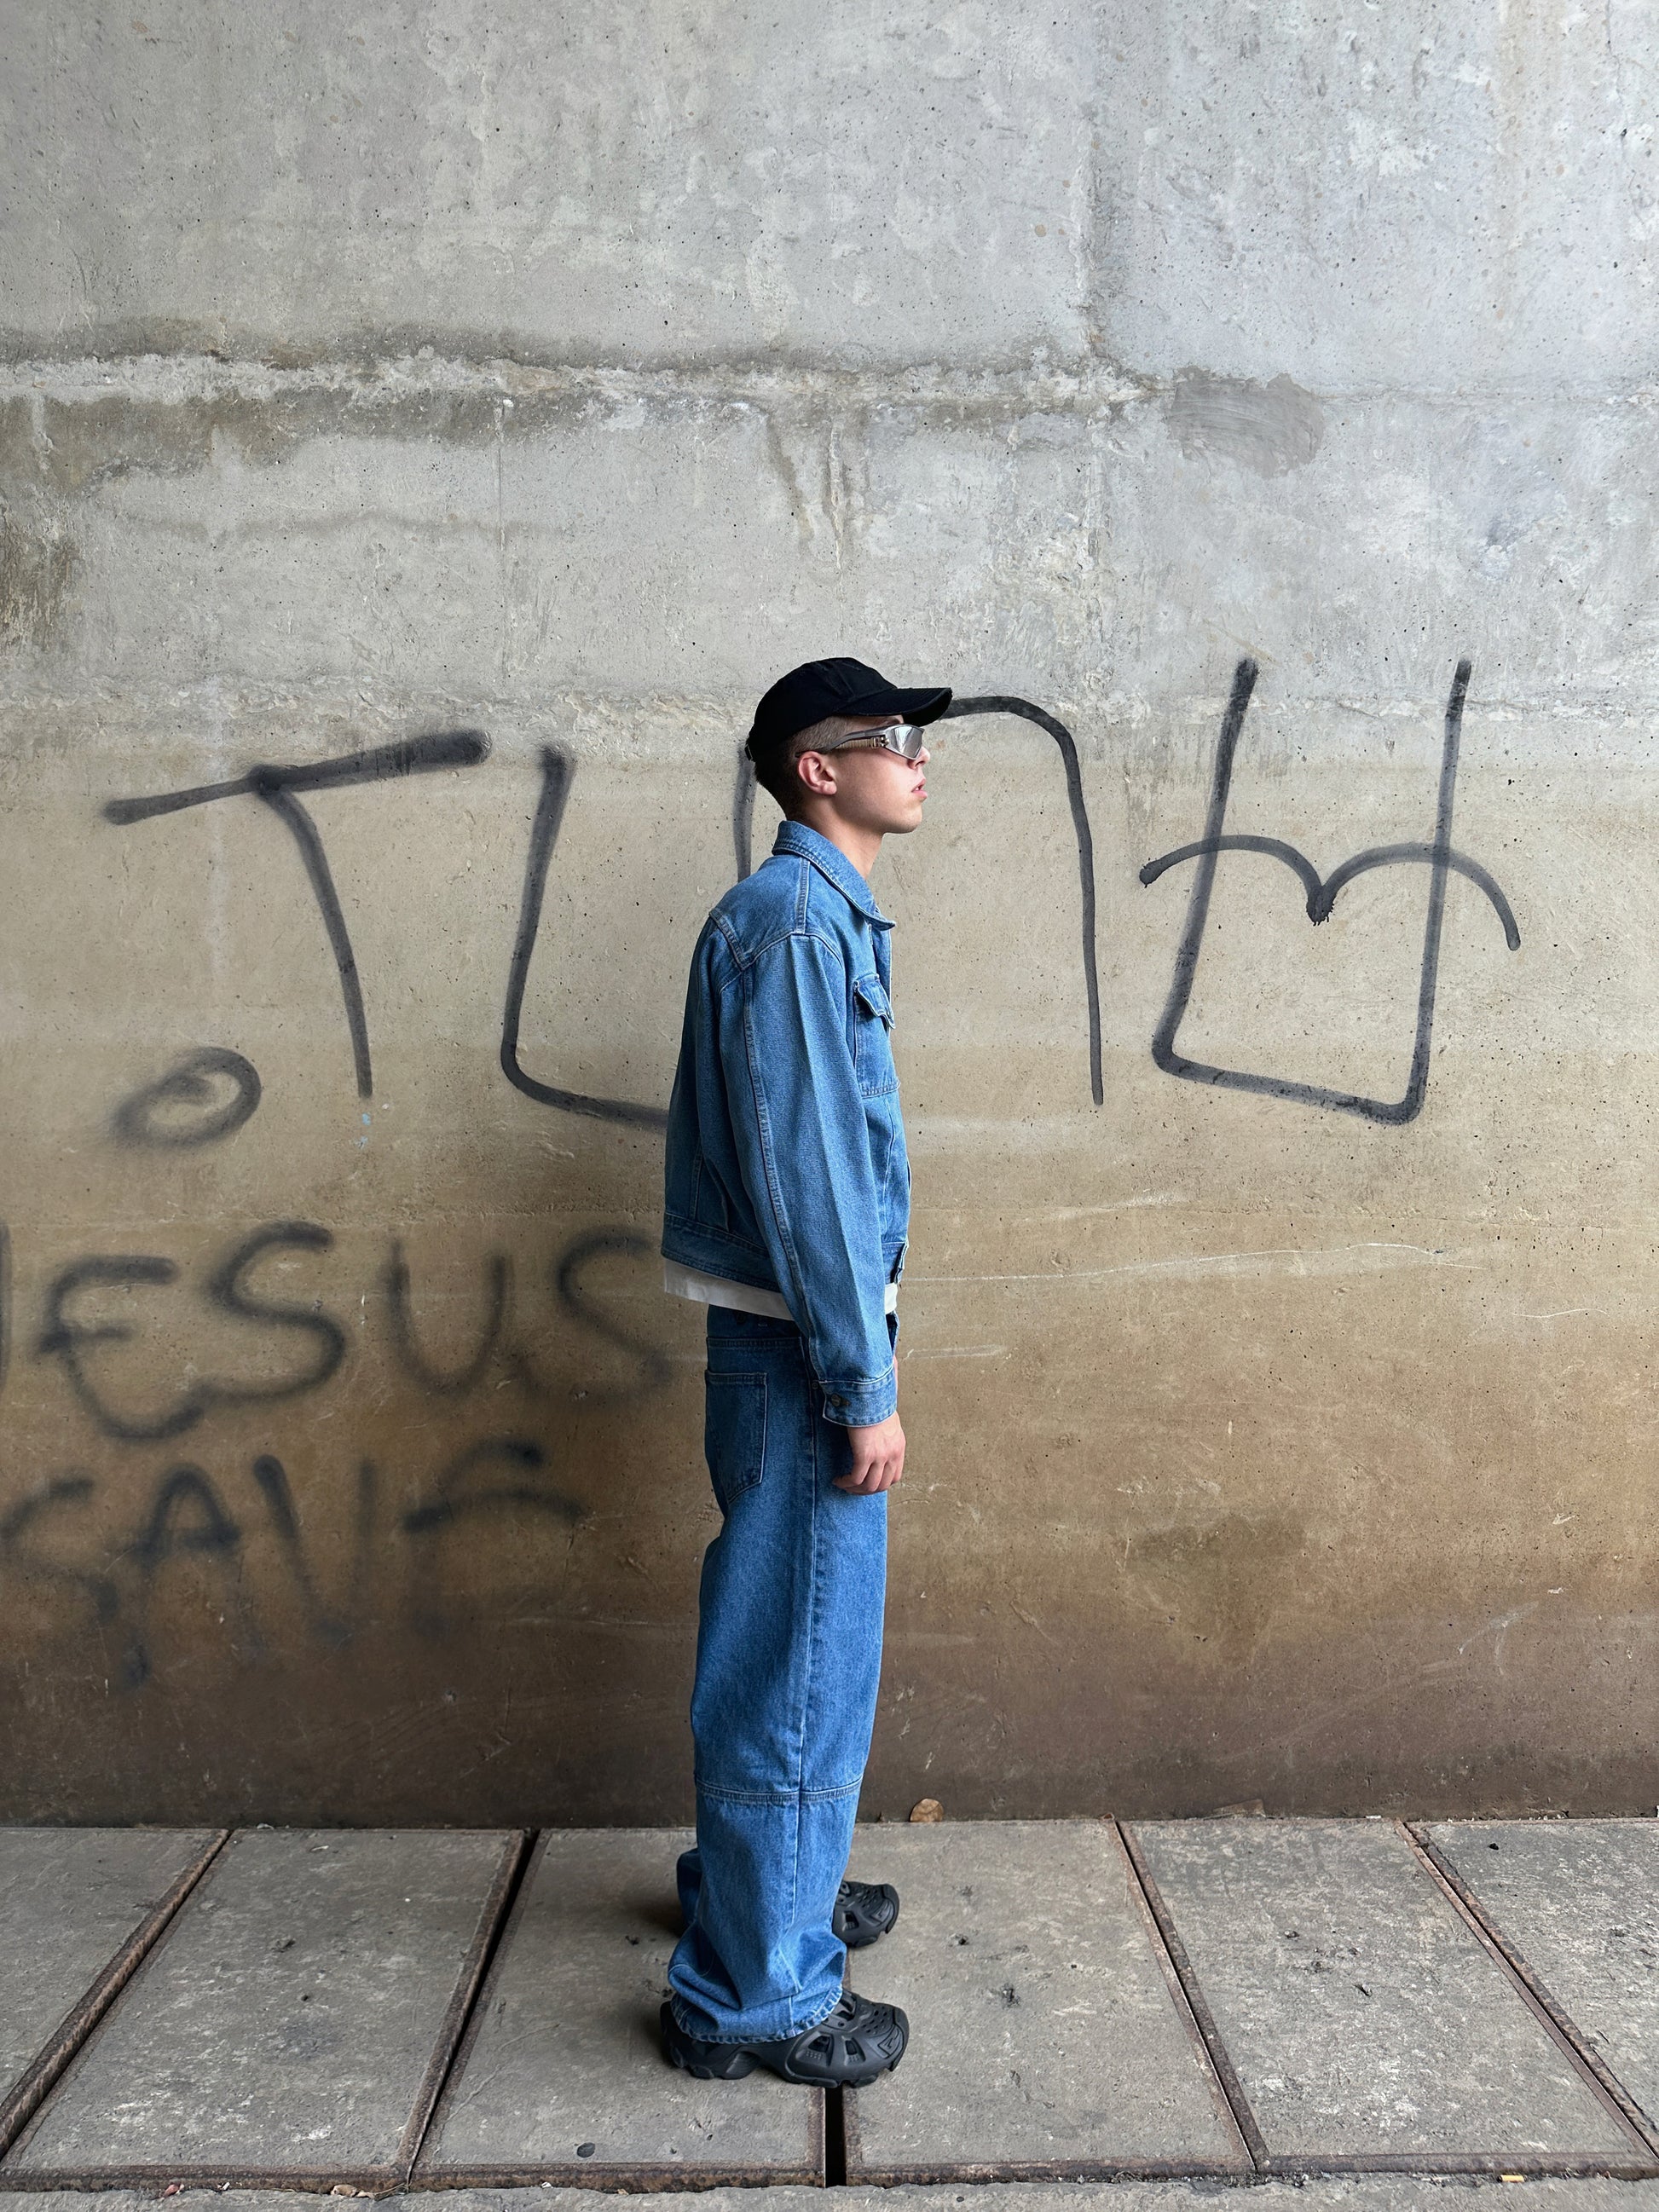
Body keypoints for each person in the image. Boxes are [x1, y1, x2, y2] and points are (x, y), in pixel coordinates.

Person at [657, 655, 950, 2089]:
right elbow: (813, 1184)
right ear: (816, 768)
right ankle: (754, 1996)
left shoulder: (816, 917)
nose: (917, 757)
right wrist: (859, 1383)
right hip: (798, 1351)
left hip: (799, 1343)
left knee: (801, 1646)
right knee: (797, 1661)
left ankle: (766, 1892)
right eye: (889, 736)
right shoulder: (787, 927)